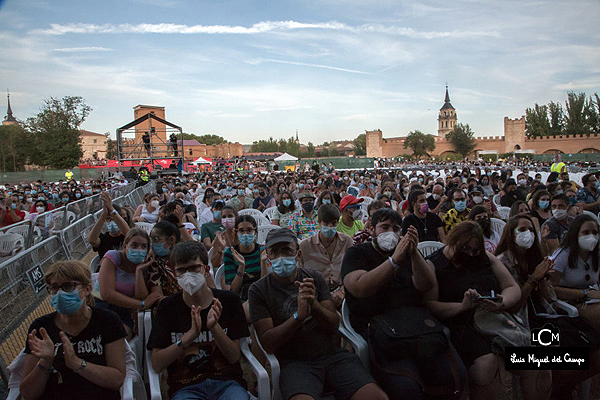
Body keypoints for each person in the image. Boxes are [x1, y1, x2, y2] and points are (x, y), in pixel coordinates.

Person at [248, 227, 388, 400]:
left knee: (377, 397)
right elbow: (268, 342)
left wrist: (314, 305)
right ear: (267, 256)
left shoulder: (313, 278)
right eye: (274, 252)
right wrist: (298, 317)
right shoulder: (259, 290)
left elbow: (333, 325)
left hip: (332, 356)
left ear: (298, 254)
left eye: (286, 250)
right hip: (296, 364)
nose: (280, 257)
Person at [342, 208, 465, 398]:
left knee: (453, 377)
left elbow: (425, 285)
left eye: (396, 228)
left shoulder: (408, 254)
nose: (390, 232)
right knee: (407, 389)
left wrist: (414, 253)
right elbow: (359, 288)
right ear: (372, 229)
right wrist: (393, 261)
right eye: (385, 227)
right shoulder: (358, 253)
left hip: (416, 327)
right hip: (381, 332)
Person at [424, 221, 551, 400]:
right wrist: (462, 306)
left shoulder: (484, 258)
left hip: (493, 318)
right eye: (466, 249)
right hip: (460, 324)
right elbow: (430, 304)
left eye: (475, 250)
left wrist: (502, 302)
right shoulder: (434, 265)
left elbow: (511, 287)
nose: (470, 255)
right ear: (453, 242)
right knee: (487, 365)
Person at [496, 215, 600, 399]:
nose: (527, 234)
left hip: (545, 316)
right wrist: (532, 279)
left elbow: (550, 299)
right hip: (520, 323)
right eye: (522, 230)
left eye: (530, 230)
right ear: (511, 235)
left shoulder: (535, 258)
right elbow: (513, 306)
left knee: (590, 344)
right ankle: (556, 388)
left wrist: (543, 281)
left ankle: (561, 386)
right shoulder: (502, 262)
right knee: (558, 348)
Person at [148, 241, 250, 400]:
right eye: (181, 270)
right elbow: (157, 363)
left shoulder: (228, 301)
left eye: (194, 268)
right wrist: (189, 336)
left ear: (206, 269)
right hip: (185, 388)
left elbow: (233, 357)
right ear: (175, 275)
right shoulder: (167, 307)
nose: (188, 274)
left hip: (227, 383)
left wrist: (214, 328)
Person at [20, 260, 126, 400]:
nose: (60, 293)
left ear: (87, 289)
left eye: (68, 286)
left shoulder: (107, 321)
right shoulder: (41, 328)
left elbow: (116, 380)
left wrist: (77, 363)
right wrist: (45, 362)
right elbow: (27, 394)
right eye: (54, 288)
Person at [96, 228, 161, 338]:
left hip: (126, 313)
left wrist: (139, 271)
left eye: (144, 246)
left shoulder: (146, 265)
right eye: (134, 245)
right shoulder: (113, 257)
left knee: (118, 337)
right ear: (125, 246)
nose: (139, 250)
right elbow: (107, 294)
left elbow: (141, 297)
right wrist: (142, 304)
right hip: (102, 306)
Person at [549, 214, 600, 332]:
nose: (591, 236)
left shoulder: (596, 255)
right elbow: (552, 289)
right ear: (575, 234)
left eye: (595, 232)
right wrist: (584, 293)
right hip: (567, 301)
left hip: (590, 298)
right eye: (586, 232)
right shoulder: (563, 255)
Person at [298, 204, 354, 308]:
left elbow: (353, 271)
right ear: (319, 223)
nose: (329, 227)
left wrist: (342, 291)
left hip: (343, 294)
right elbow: (300, 274)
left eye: (333, 223)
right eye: (326, 223)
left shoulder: (347, 242)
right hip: (316, 296)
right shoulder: (305, 246)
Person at [222, 215, 266, 313]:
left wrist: (263, 262)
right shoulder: (230, 253)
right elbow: (234, 290)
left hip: (262, 293)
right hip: (242, 296)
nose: (245, 234)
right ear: (236, 232)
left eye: (249, 230)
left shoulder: (263, 250)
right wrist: (241, 267)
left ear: (255, 231)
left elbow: (266, 282)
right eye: (241, 231)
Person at [87, 192, 130, 259]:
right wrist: (103, 216)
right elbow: (92, 240)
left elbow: (129, 233)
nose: (111, 221)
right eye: (108, 219)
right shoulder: (103, 238)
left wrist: (112, 209)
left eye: (113, 219)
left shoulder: (126, 236)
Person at [147, 220, 183, 297]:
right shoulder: (154, 262)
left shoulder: (185, 259)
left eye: (156, 239)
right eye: (151, 240)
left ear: (171, 240)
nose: (152, 243)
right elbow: (157, 293)